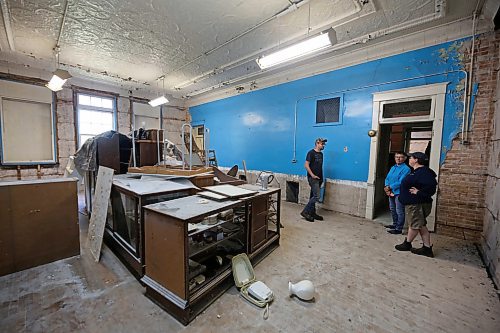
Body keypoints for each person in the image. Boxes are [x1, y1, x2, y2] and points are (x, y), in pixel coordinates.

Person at [395, 152, 437, 257]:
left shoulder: (425, 172)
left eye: (411, 158)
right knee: (421, 225)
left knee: (414, 225)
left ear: (416, 160)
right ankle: (426, 248)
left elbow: (431, 188)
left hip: (416, 204)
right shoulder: (417, 171)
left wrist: (419, 192)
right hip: (414, 204)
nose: (409, 159)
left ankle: (407, 244)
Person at [300, 138, 327, 222]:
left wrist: (321, 178)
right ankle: (305, 212)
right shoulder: (311, 153)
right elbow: (306, 165)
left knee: (313, 195)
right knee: (316, 196)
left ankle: (312, 213)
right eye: (322, 144)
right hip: (313, 178)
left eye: (324, 144)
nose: (323, 145)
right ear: (317, 143)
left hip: (319, 178)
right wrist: (312, 175)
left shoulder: (321, 154)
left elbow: (319, 167)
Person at [384, 152, 411, 234]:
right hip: (391, 191)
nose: (398, 159)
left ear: (405, 158)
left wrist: (390, 187)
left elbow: (401, 181)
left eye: (401, 157)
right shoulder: (393, 167)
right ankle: (395, 224)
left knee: (399, 210)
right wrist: (387, 187)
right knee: (392, 209)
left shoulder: (406, 169)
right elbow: (387, 178)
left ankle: (399, 228)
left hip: (399, 192)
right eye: (396, 157)